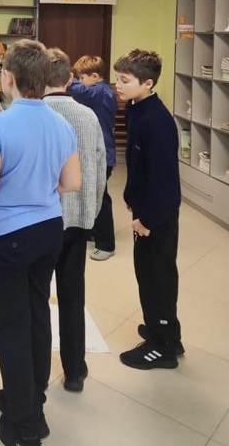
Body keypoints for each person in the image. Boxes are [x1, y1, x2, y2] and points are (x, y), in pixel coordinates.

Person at [0, 39, 81, 446]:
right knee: (37, 315)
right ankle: (31, 400)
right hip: (48, 231)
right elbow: (72, 183)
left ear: (7, 77)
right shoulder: (62, 124)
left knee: (11, 325)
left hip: (5, 238)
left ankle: (23, 424)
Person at [114, 49, 184, 370]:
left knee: (157, 276)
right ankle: (165, 330)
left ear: (148, 83)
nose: (118, 85)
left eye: (125, 80)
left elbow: (165, 180)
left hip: (158, 213)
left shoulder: (156, 120)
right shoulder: (135, 108)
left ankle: (163, 346)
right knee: (147, 272)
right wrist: (132, 195)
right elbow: (138, 161)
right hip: (146, 206)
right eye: (118, 78)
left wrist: (148, 219)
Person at [44, 48, 107, 393]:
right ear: (70, 78)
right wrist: (90, 212)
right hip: (78, 219)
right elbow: (98, 169)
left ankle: (37, 368)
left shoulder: (33, 115)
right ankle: (74, 371)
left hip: (41, 220)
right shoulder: (87, 116)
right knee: (72, 295)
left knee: (36, 297)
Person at [69, 55, 118, 261]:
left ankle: (106, 244)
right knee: (94, 192)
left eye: (82, 78)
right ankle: (93, 230)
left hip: (103, 154)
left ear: (95, 76)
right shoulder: (100, 92)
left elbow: (79, 91)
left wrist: (67, 79)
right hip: (99, 152)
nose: (80, 82)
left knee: (100, 197)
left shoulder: (100, 92)